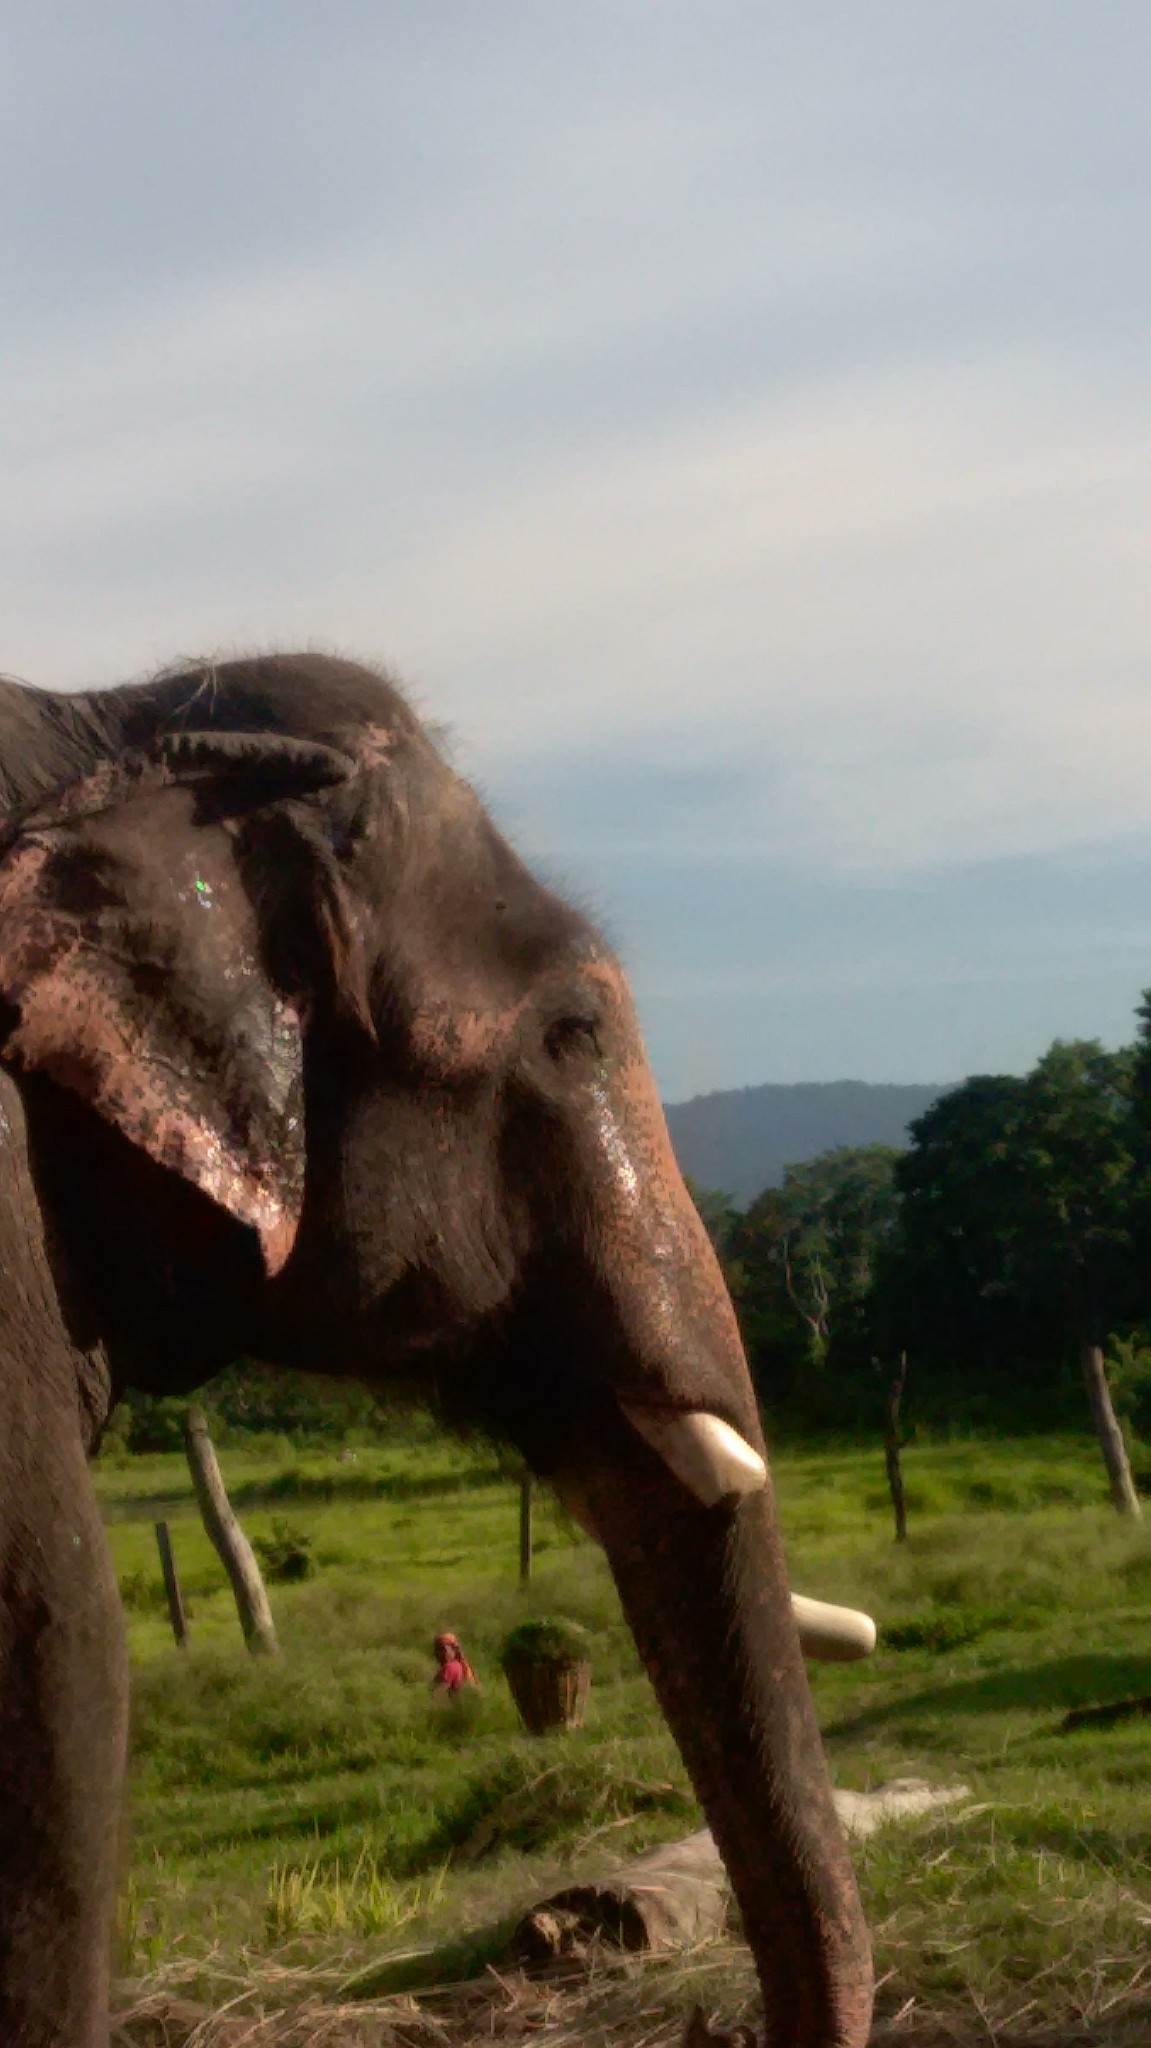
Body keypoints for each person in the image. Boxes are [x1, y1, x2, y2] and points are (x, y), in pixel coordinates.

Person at [431, 1630, 478, 1698]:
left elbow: (438, 1694)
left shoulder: (451, 1667)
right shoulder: (459, 1666)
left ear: (454, 1650)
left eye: (443, 1649)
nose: (439, 1653)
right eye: (437, 1650)